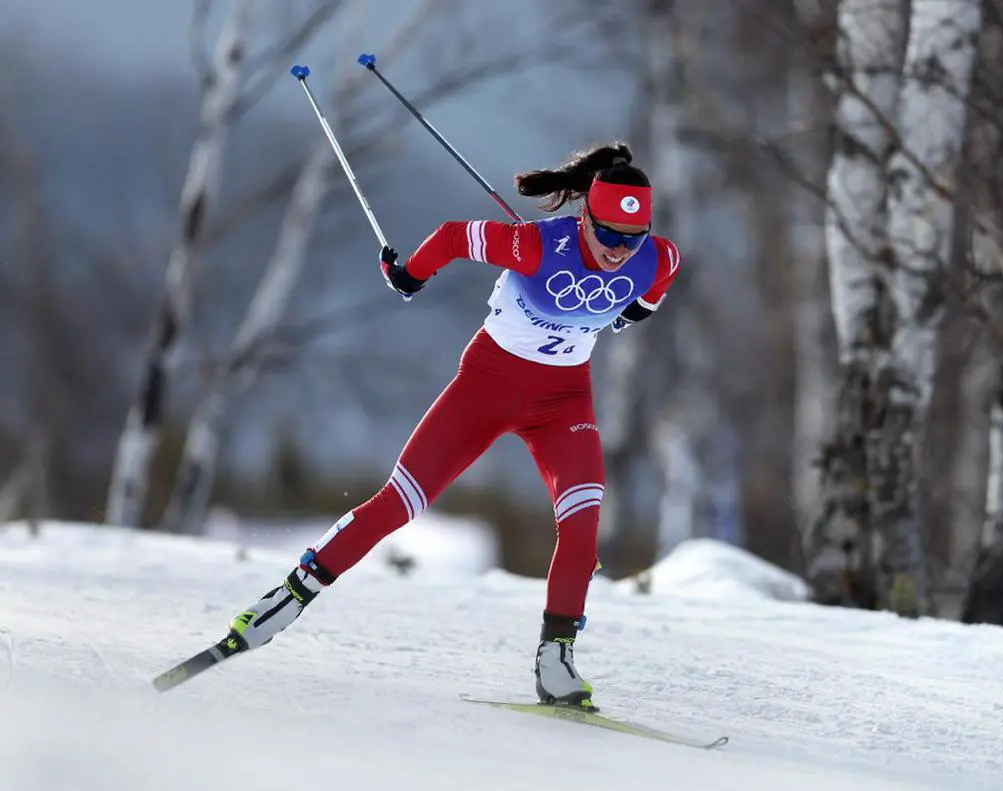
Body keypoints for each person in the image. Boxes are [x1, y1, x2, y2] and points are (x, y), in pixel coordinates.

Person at [218, 142, 680, 712]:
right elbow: (452, 236)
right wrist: (409, 276)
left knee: (583, 527)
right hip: (485, 387)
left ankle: (556, 657)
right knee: (399, 504)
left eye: (631, 239)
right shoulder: (534, 244)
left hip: (564, 402)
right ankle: (287, 597)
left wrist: (625, 304)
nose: (619, 251)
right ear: (584, 215)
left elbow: (649, 293)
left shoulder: (658, 258)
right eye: (608, 235)